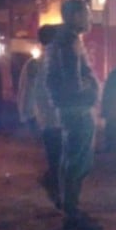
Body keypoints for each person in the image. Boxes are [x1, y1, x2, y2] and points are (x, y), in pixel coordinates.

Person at [46, 0, 103, 230]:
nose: (90, 18)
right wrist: (88, 93)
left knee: (74, 160)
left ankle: (71, 209)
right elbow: (73, 82)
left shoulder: (65, 39)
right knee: (77, 162)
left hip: (72, 109)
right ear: (75, 16)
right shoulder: (68, 42)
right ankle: (72, 213)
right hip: (77, 110)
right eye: (87, 14)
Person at [31, 24, 64, 208]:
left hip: (49, 121)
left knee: (56, 159)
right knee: (59, 160)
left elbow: (32, 93)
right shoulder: (52, 63)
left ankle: (55, 191)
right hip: (55, 121)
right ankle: (58, 196)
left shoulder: (41, 62)